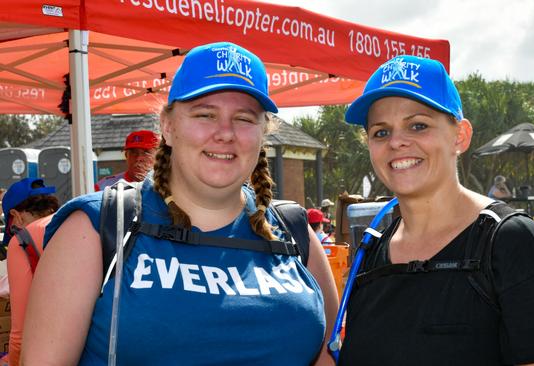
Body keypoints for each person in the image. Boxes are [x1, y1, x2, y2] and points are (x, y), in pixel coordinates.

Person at [21, 42, 338, 365]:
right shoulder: (98, 227)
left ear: (262, 134)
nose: (225, 133)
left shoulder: (293, 231)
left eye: (244, 119)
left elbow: (330, 354)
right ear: (168, 127)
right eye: (205, 114)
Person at [338, 55, 534, 365]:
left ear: (460, 136)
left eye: (418, 125)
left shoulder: (513, 244)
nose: (397, 142)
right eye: (381, 132)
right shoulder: (370, 255)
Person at [1, 178, 59, 366]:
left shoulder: (21, 241)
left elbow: (20, 332)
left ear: (15, 215)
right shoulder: (76, 222)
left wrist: (12, 361)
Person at [94, 129, 160, 191]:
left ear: (158, 156)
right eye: (133, 152)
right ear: (126, 156)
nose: (138, 158)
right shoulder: (105, 186)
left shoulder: (166, 184)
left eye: (146, 152)